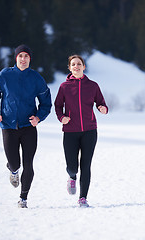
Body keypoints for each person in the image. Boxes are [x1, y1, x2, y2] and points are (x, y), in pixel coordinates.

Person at [0, 44, 52, 208]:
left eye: (26, 56)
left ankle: (23, 198)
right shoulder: (4, 75)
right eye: (20, 56)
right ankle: (13, 170)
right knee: (15, 163)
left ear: (30, 59)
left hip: (28, 127)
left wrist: (38, 117)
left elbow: (46, 103)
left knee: (28, 163)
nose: (23, 59)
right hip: (8, 125)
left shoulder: (36, 78)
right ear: (16, 58)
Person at [54, 55, 108, 207]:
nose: (76, 66)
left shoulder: (93, 86)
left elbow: (101, 102)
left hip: (90, 130)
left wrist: (102, 108)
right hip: (70, 131)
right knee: (72, 166)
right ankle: (72, 177)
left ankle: (83, 197)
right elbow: (57, 105)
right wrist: (61, 117)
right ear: (70, 68)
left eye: (79, 64)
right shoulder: (64, 87)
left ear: (84, 67)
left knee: (86, 164)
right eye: (73, 64)